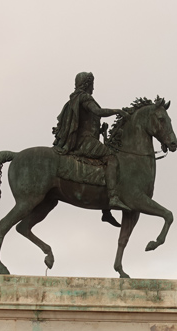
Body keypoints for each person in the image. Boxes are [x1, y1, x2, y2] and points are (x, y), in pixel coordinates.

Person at [52, 72, 128, 227]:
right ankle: (113, 197)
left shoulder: (74, 99)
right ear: (87, 84)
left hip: (85, 139)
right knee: (112, 157)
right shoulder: (85, 97)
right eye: (92, 84)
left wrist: (100, 130)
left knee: (101, 163)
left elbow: (85, 122)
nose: (93, 87)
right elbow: (98, 112)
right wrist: (116, 111)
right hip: (85, 142)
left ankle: (105, 211)